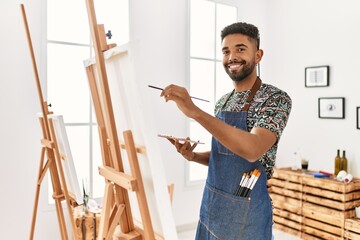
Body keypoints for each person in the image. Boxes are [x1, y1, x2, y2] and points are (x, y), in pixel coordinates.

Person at [160, 22, 292, 240]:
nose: (232, 56)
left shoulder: (275, 99)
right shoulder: (223, 102)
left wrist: (194, 112)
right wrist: (192, 156)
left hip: (248, 213)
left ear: (258, 55)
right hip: (212, 206)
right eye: (226, 51)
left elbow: (252, 150)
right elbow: (224, 156)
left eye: (240, 49)